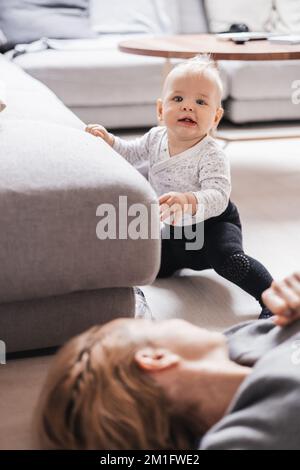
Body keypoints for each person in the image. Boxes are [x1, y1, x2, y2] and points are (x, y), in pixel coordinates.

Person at [85, 55, 273, 319]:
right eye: (178, 99)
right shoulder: (155, 138)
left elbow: (219, 195)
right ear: (161, 110)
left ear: (215, 117)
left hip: (214, 226)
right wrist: (109, 141)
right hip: (177, 230)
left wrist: (190, 200)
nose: (188, 108)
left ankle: (272, 298)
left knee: (230, 260)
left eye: (200, 102)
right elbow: (130, 153)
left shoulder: (211, 154)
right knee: (149, 266)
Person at [36, 272, 300, 450]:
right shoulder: (244, 435)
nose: (170, 321)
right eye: (149, 326)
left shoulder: (246, 340)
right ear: (156, 358)